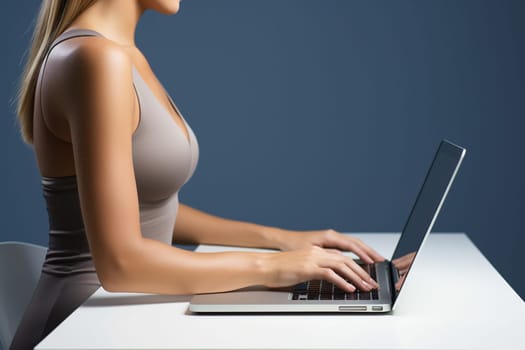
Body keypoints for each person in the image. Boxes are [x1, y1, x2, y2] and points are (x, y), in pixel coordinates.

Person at [10, 0, 384, 348]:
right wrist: (271, 267)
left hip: (131, 314)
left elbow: (150, 211)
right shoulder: (93, 59)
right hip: (82, 327)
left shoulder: (120, 56)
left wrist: (282, 240)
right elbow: (121, 264)